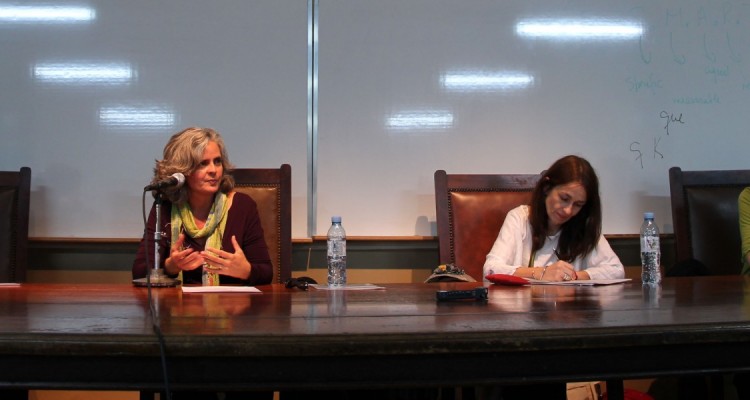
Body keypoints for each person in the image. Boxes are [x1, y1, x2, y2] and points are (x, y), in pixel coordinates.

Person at [133, 127, 273, 287]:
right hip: (177, 308)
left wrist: (246, 270)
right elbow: (139, 271)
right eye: (203, 164)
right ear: (182, 171)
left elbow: (266, 272)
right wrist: (169, 268)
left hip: (231, 307)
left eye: (217, 161)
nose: (213, 170)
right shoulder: (165, 207)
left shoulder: (243, 206)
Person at [483, 154, 625, 283]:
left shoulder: (583, 223)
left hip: (569, 310)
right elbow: (490, 270)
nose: (569, 210)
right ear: (547, 188)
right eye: (564, 198)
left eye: (578, 204)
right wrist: (542, 273)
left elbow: (616, 270)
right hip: (523, 310)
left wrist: (572, 276)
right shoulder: (519, 218)